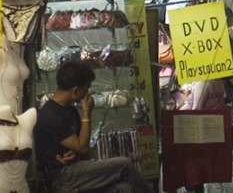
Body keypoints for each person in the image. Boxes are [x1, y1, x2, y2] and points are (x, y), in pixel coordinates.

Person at [33, 62, 154, 192]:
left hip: (76, 169)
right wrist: (87, 113)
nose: (87, 94)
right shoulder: (50, 115)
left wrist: (76, 155)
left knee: (125, 189)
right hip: (62, 177)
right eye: (86, 89)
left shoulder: (70, 111)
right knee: (124, 165)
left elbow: (84, 154)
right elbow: (84, 148)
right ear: (75, 90)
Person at [181, 78, 227, 193]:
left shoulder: (203, 81)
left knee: (199, 174)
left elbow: (196, 109)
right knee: (213, 173)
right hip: (214, 132)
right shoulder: (219, 81)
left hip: (201, 134)